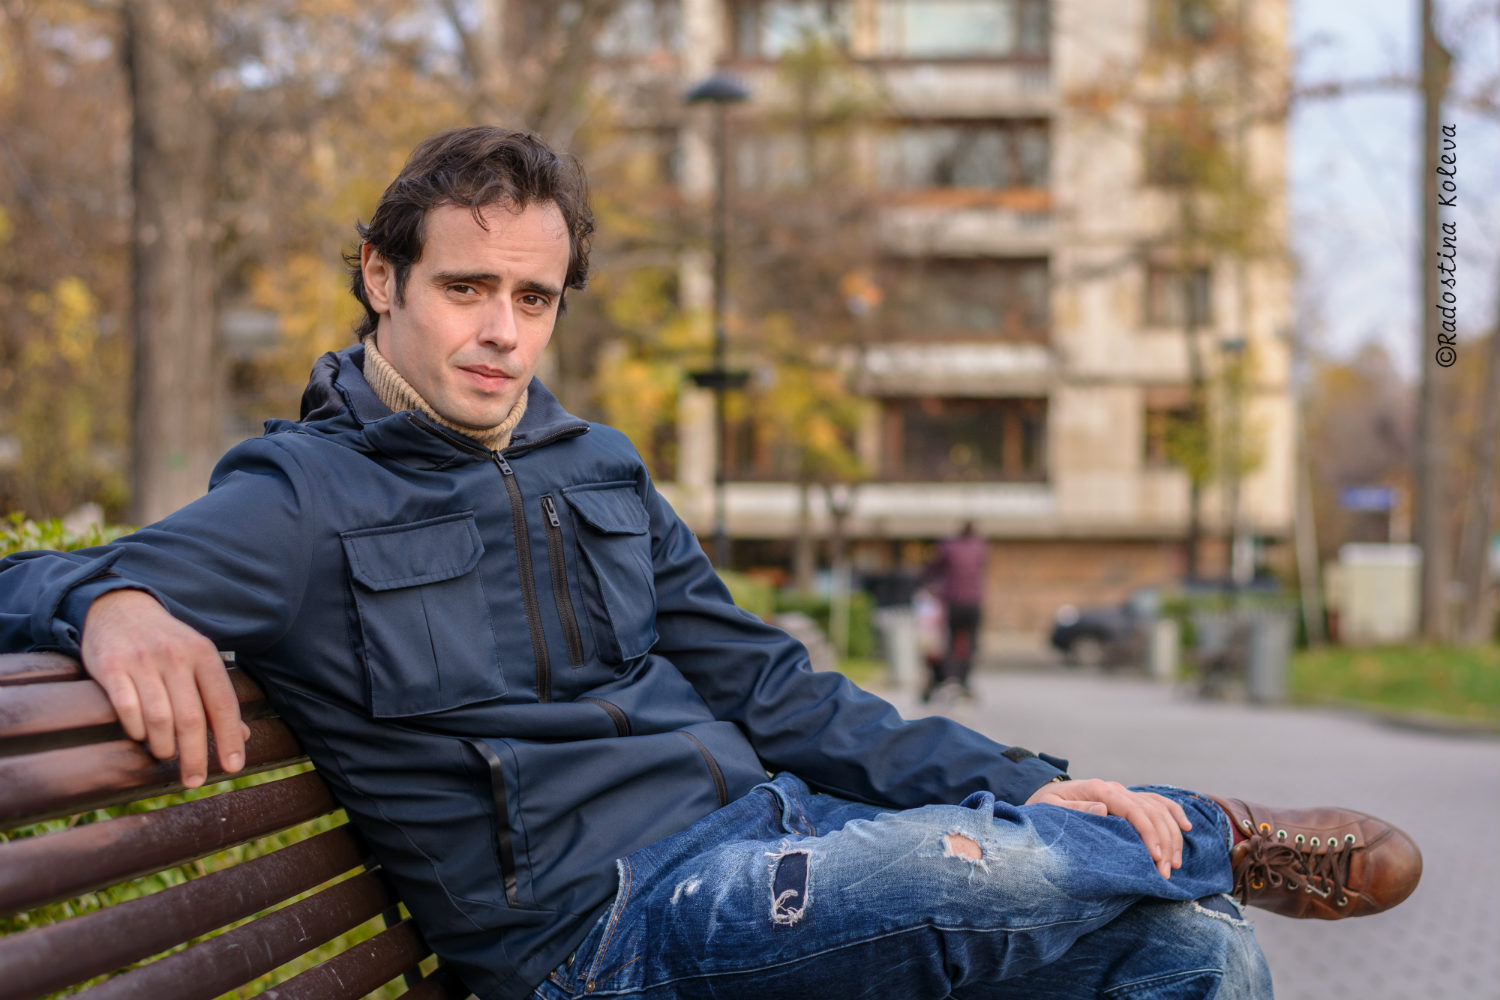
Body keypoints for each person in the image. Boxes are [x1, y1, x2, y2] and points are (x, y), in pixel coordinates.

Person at [0, 127, 1420, 1000]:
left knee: (1199, 955)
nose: (501, 331)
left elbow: (777, 690)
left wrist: (1031, 778)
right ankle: (1216, 832)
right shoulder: (303, 495)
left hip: (770, 843)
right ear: (382, 276)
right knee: (982, 866)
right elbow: (28, 583)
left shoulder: (595, 466)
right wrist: (110, 598)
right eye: (465, 288)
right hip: (610, 937)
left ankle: (1154, 844)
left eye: (533, 297)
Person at [922, 520, 987, 701]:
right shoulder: (981, 547)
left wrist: (928, 584)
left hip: (952, 600)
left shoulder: (947, 546)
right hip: (973, 601)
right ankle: (964, 680)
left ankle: (950, 679)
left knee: (949, 643)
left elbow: (931, 568)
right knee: (970, 644)